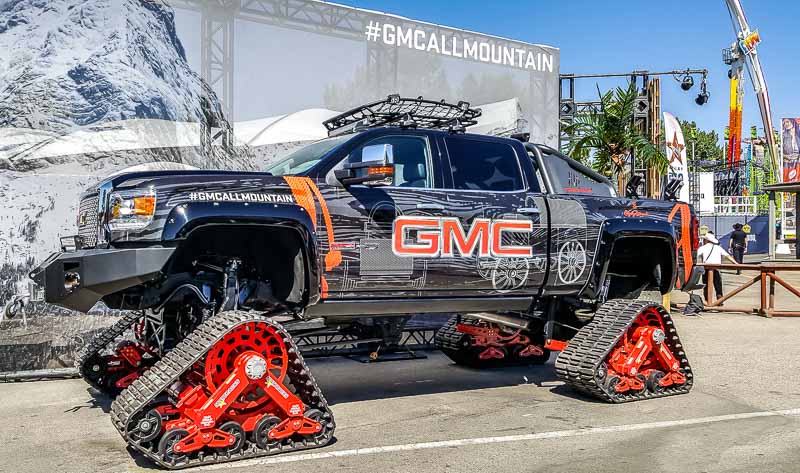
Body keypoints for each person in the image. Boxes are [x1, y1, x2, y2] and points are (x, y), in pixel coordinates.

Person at [697, 231, 738, 302]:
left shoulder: (702, 248)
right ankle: (720, 300)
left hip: (706, 269)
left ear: (707, 240)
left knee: (706, 286)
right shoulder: (718, 248)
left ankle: (708, 301)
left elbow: (695, 256)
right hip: (716, 268)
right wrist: (737, 264)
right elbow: (727, 256)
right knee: (718, 286)